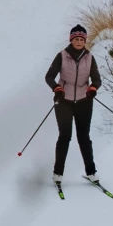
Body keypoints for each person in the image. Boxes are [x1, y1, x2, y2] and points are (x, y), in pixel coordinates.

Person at [45, 24, 102, 184]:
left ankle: (91, 172)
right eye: (76, 39)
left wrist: (93, 88)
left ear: (85, 41)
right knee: (65, 136)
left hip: (84, 101)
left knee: (84, 137)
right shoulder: (62, 56)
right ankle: (58, 174)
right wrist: (56, 88)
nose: (79, 42)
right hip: (63, 101)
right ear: (71, 40)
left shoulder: (90, 57)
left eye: (81, 39)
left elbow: (97, 78)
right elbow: (49, 76)